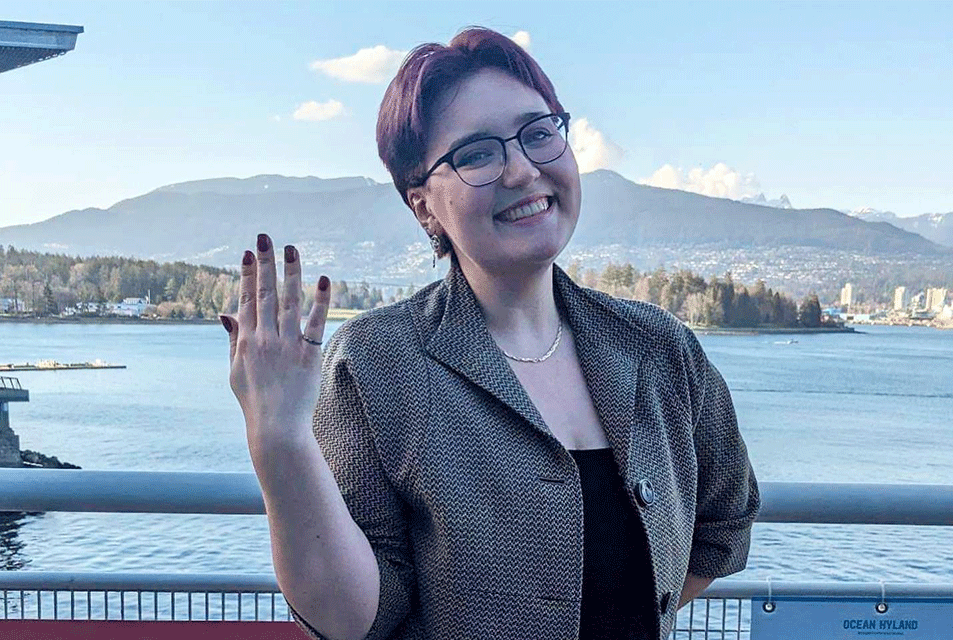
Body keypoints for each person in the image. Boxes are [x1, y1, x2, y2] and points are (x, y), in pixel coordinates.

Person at [219, 27, 760, 640]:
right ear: (423, 205)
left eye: (539, 132)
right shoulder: (376, 365)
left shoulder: (659, 346)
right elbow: (349, 620)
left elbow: (724, 525)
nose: (524, 170)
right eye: (477, 153)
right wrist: (279, 439)